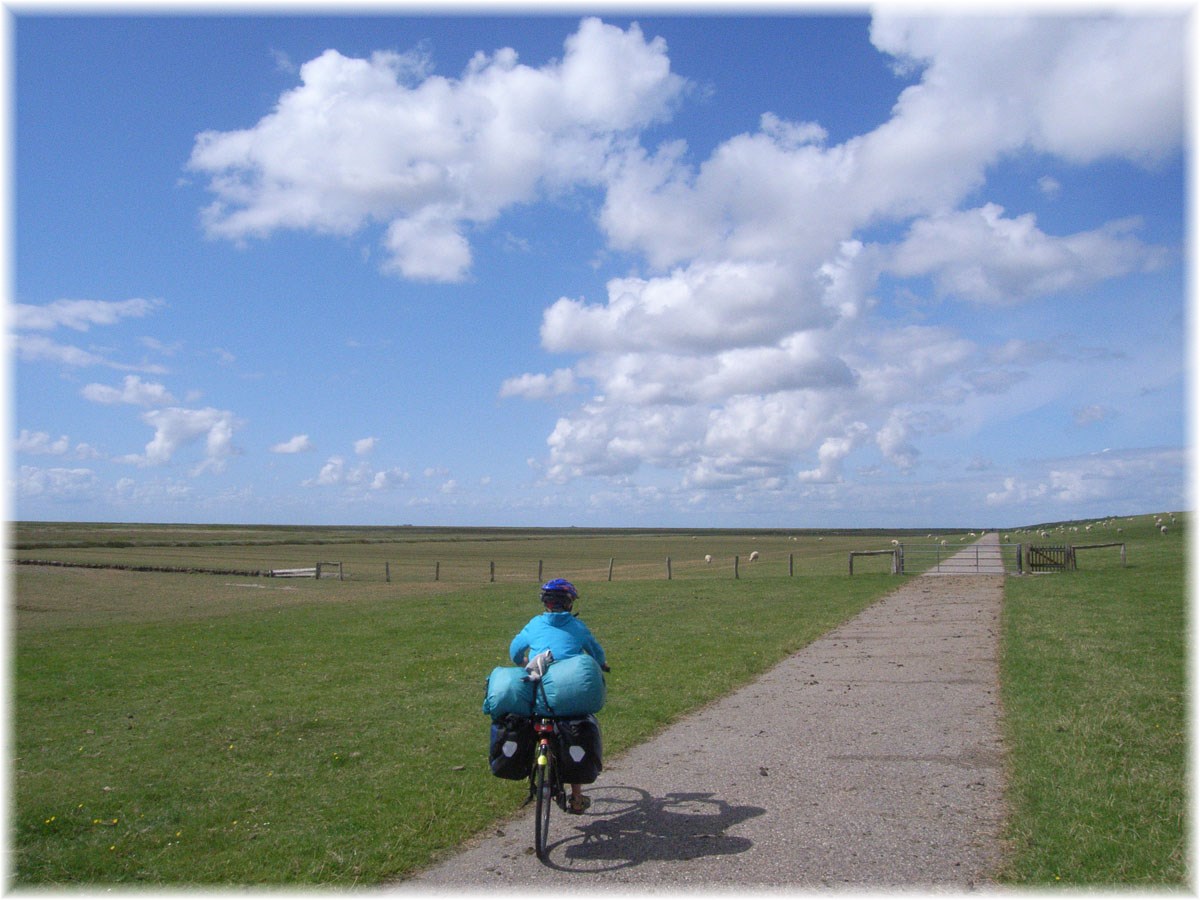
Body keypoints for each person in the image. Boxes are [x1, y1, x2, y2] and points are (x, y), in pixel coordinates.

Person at [509, 577, 606, 814]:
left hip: (538, 697)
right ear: (570, 603)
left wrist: (525, 663)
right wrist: (601, 665)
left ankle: (535, 762)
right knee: (575, 730)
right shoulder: (578, 627)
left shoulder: (534, 623)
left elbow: (514, 651)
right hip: (567, 698)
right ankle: (576, 796)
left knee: (534, 723)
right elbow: (597, 654)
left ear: (545, 602)